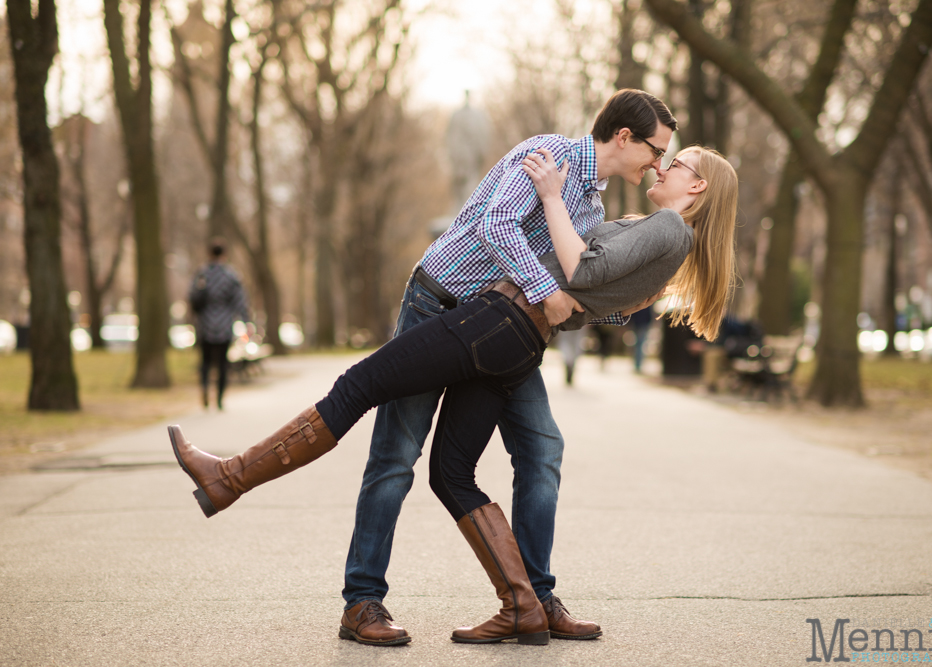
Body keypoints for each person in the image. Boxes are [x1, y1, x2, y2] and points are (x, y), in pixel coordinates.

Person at [168, 144, 739, 645]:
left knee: (361, 385)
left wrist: (552, 201)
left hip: (495, 321)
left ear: (698, 186)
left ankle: (232, 476)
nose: (661, 164)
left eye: (676, 161)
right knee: (451, 472)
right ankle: (523, 605)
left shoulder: (666, 228)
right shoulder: (661, 234)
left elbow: (584, 269)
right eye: (660, 152)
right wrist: (574, 301)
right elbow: (605, 300)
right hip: (518, 339)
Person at [336, 88, 677, 645]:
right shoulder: (546, 154)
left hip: (502, 335)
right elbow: (498, 226)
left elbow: (576, 292)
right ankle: (362, 602)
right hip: (437, 308)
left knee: (542, 449)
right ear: (623, 137)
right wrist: (549, 290)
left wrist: (623, 312)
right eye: (656, 150)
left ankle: (536, 600)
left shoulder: (590, 207)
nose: (657, 163)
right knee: (396, 457)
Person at [188, 238, 250, 410]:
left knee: (205, 362)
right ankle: (220, 398)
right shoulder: (231, 275)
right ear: (224, 254)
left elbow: (192, 298)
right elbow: (240, 301)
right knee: (223, 363)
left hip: (205, 325)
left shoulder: (202, 274)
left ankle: (205, 388)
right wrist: (247, 322)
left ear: (209, 253)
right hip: (224, 325)